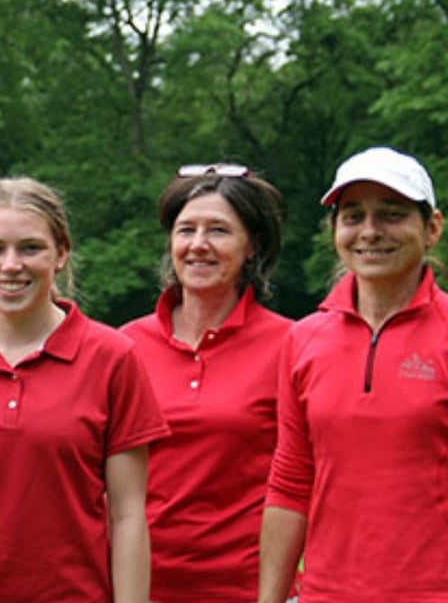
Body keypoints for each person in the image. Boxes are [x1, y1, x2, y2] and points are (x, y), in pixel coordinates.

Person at [258, 146, 448, 603]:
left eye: (391, 214)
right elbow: (290, 482)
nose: (370, 232)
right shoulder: (303, 340)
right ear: (335, 232)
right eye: (353, 216)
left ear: (432, 229)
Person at [0, 176, 170, 602]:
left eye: (30, 248)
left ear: (61, 254)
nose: (11, 265)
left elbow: (128, 516)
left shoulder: (113, 358)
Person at [120, 163, 291, 602]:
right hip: (138, 587)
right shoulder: (124, 347)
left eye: (218, 230)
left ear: (251, 245)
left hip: (249, 588)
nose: (198, 245)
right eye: (185, 230)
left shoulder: (292, 344)